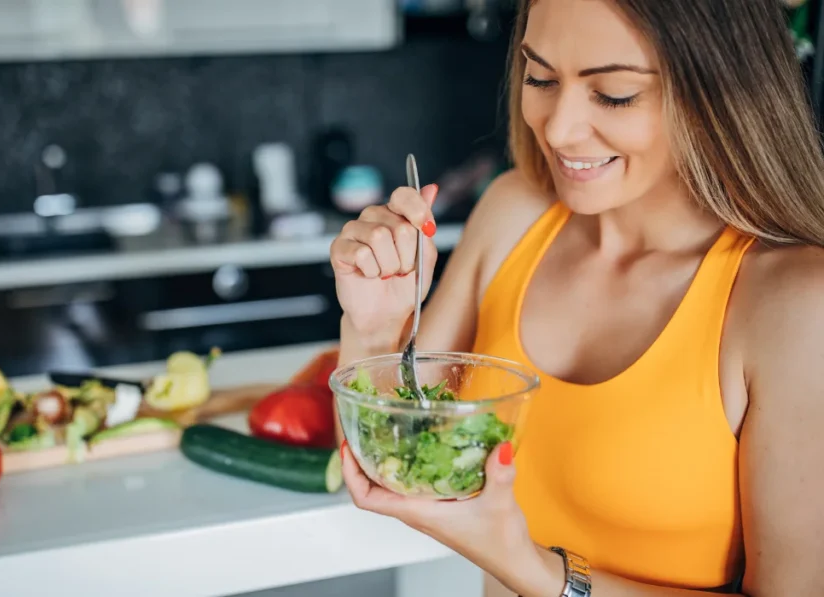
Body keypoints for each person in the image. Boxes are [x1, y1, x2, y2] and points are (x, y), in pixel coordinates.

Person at [328, 0, 824, 595]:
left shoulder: (793, 304)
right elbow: (395, 462)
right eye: (540, 78)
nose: (557, 130)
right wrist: (380, 328)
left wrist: (536, 571)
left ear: (722, 90)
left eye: (613, 94)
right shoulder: (514, 214)